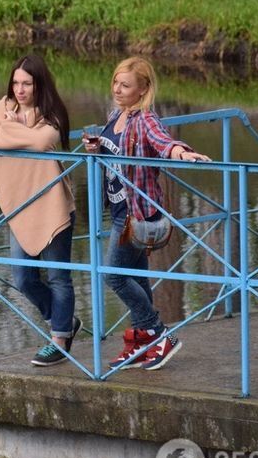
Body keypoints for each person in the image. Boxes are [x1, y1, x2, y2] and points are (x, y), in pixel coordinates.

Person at [82, 57, 210, 370]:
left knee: (113, 275)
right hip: (118, 210)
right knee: (136, 277)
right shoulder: (116, 116)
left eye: (125, 85)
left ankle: (157, 333)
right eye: (115, 82)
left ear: (143, 90)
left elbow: (164, 143)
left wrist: (184, 153)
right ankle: (142, 344)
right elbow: (116, 149)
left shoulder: (145, 120)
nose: (117, 89)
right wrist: (96, 146)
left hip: (136, 214)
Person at [0, 54, 80, 367]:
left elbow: (42, 144)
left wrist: (6, 134)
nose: (20, 89)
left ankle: (59, 340)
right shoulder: (5, 108)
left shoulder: (53, 115)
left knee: (58, 278)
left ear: (39, 84)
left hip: (53, 207)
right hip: (21, 207)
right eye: (16, 83)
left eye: (26, 83)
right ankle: (63, 320)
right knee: (23, 278)